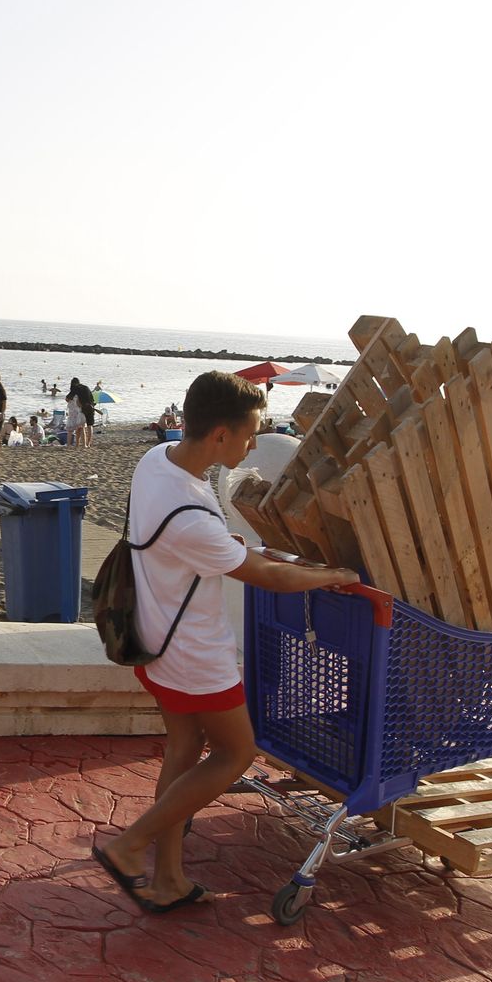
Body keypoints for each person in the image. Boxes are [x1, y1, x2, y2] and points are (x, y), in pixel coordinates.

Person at [94, 371, 358, 913]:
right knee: (237, 751)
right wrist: (332, 576)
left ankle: (167, 877)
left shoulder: (157, 463)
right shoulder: (191, 516)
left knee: (187, 748)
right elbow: (274, 577)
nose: (253, 444)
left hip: (153, 640)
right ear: (219, 434)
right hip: (195, 655)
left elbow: (181, 540)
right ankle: (129, 845)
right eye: (248, 433)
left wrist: (222, 543)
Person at [69, 377, 96, 449]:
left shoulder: (75, 388)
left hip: (83, 408)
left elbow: (68, 397)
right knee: (90, 426)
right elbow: (92, 399)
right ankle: (88, 443)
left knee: (81, 426)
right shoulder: (86, 387)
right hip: (91, 407)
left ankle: (81, 444)